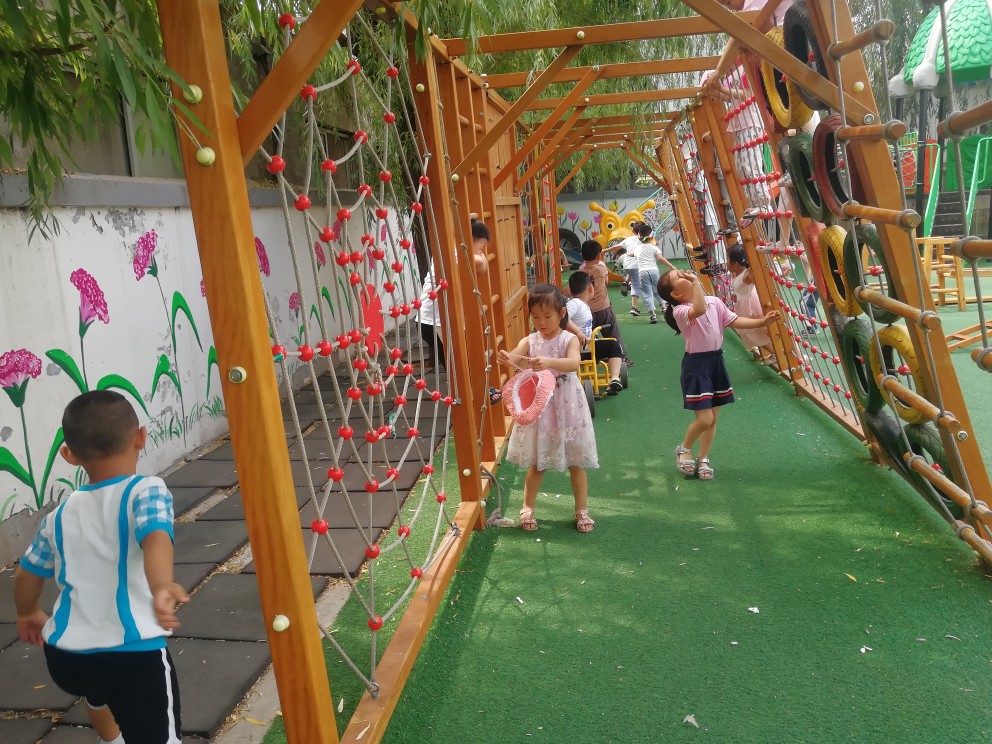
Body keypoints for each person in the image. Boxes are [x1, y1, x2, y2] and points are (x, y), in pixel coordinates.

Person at [13, 390, 189, 744]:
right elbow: (155, 536)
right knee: (154, 728)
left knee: (99, 690)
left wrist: (28, 612)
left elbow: (27, 573)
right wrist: (161, 585)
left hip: (67, 658)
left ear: (69, 455)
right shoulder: (146, 490)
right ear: (141, 437)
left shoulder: (58, 515)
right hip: (131, 655)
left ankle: (111, 738)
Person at [658, 270, 779, 480]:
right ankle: (684, 448)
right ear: (676, 294)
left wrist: (762, 322)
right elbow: (699, 309)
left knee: (713, 419)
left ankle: (703, 458)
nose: (686, 275)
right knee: (704, 419)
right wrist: (695, 281)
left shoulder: (714, 302)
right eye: (680, 276)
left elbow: (734, 321)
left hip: (716, 362)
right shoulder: (680, 311)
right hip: (696, 366)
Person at [498, 284, 599, 533]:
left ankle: (581, 509)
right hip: (541, 405)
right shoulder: (530, 340)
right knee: (537, 461)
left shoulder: (569, 339)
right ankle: (527, 507)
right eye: (535, 317)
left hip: (567, 403)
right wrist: (505, 357)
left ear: (561, 314)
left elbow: (574, 363)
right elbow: (513, 358)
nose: (541, 322)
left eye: (547, 316)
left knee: (576, 462)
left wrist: (549, 362)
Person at [418, 219, 489, 370]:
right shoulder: (453, 254)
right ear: (468, 241)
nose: (481, 252)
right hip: (433, 320)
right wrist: (479, 256)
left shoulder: (454, 251)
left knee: (458, 363)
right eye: (481, 248)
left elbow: (482, 266)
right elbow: (481, 264)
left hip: (438, 319)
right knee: (457, 366)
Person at [565, 271, 625, 394]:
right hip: (576, 349)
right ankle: (614, 377)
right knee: (614, 345)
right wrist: (578, 332)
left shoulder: (583, 305)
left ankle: (614, 379)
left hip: (587, 347)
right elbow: (563, 318)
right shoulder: (574, 303)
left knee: (613, 344)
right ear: (590, 288)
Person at [579, 240, 630, 363]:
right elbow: (606, 282)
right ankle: (621, 357)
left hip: (587, 311)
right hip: (604, 309)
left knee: (587, 336)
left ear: (582, 255)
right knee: (613, 334)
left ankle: (587, 357)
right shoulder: (601, 268)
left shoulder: (580, 273)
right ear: (598, 256)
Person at [726, 244, 773, 357]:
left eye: (727, 259)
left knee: (759, 332)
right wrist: (736, 296)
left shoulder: (747, 274)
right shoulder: (738, 274)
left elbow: (756, 281)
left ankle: (776, 354)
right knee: (754, 333)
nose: (726, 262)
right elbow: (740, 289)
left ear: (735, 264)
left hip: (751, 307)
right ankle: (775, 354)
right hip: (743, 305)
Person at [633, 222, 676, 324]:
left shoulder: (637, 249)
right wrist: (671, 266)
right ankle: (664, 307)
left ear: (639, 236)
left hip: (642, 273)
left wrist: (629, 253)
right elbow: (660, 258)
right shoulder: (654, 248)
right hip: (654, 271)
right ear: (651, 236)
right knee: (658, 290)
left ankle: (653, 315)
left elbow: (632, 253)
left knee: (647, 294)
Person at [618, 227, 642, 316]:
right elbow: (654, 243)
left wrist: (606, 250)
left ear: (632, 231)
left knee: (630, 273)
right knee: (636, 286)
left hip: (626, 265)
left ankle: (626, 282)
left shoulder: (628, 239)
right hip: (635, 265)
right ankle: (633, 307)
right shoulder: (642, 240)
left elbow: (617, 246)